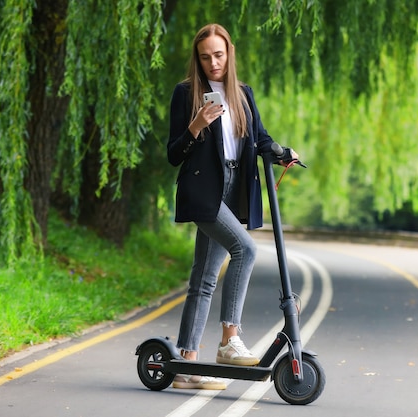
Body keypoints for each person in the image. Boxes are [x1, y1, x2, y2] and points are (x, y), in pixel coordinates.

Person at [167, 23, 297, 390]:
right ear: (198, 58)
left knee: (203, 279)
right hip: (203, 192)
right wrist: (195, 127)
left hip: (234, 186)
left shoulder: (243, 93)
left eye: (219, 55)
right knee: (245, 249)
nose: (213, 62)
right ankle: (229, 339)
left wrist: (282, 153)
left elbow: (260, 139)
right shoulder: (185, 94)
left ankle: (186, 365)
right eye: (205, 57)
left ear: (229, 53)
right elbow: (173, 154)